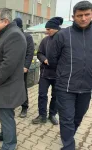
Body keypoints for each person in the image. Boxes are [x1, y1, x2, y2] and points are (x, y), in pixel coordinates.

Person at [49, 1, 92, 150]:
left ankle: (68, 136)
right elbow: (53, 58)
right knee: (67, 119)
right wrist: (63, 73)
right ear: (73, 17)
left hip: (87, 87)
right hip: (65, 87)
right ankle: (68, 146)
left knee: (77, 118)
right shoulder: (63, 35)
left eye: (87, 14)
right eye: (80, 15)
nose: (84, 18)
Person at [0, 8, 27, 150]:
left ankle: (9, 145)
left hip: (7, 86)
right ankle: (5, 135)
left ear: (6, 21)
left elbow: (8, 65)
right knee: (4, 115)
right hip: (4, 85)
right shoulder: (7, 33)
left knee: (7, 116)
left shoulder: (13, 35)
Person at [31, 17, 63, 125]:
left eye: (48, 29)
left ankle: (52, 114)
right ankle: (42, 116)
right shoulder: (45, 40)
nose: (46, 31)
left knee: (56, 96)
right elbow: (39, 53)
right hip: (45, 73)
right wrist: (44, 59)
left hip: (58, 74)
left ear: (55, 29)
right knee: (42, 94)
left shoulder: (63, 39)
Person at [13, 18, 35, 118]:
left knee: (22, 87)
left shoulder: (27, 37)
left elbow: (30, 52)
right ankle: (12, 104)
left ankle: (24, 107)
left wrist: (26, 66)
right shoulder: (12, 36)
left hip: (22, 68)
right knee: (12, 87)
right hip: (12, 67)